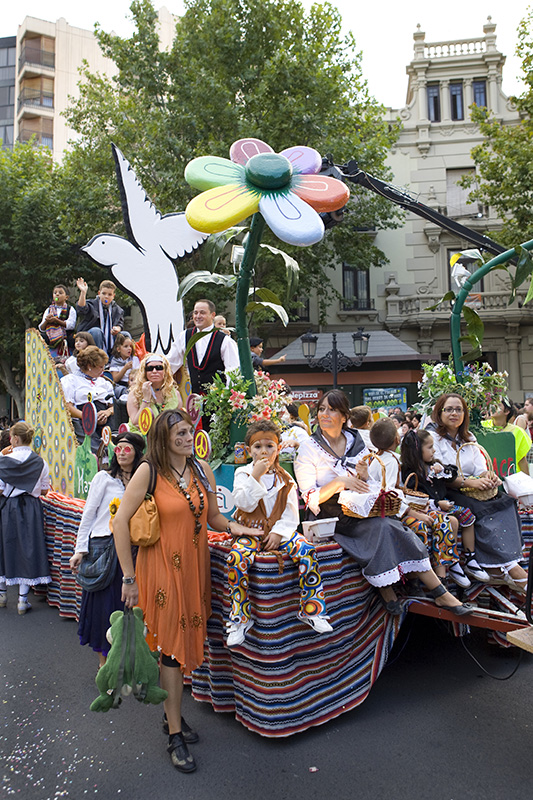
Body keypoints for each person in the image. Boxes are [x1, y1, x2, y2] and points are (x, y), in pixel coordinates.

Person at [111, 409, 257, 772]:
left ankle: (170, 715)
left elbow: (214, 520)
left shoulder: (202, 470)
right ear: (163, 438)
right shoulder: (148, 471)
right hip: (159, 569)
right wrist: (128, 578)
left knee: (183, 644)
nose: (186, 438)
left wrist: (241, 529)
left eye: (189, 432)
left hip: (194, 568)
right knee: (171, 651)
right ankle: (174, 733)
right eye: (178, 434)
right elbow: (118, 523)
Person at [294, 390, 471, 615]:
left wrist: (363, 476)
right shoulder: (308, 448)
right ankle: (417, 591)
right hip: (330, 516)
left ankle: (436, 592)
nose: (324, 414)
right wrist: (339, 482)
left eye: (332, 409)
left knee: (393, 525)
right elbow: (310, 499)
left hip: (360, 509)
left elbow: (368, 483)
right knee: (385, 527)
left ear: (344, 415)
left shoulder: (355, 440)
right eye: (321, 409)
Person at [227, 419, 332, 647]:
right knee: (237, 557)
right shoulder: (243, 475)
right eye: (257, 447)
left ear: (278, 448)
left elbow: (292, 514)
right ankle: (240, 618)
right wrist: (255, 476)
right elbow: (243, 503)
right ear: (249, 450)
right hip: (250, 531)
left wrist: (278, 532)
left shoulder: (286, 478)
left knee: (306, 550)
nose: (263, 451)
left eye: (269, 446)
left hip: (279, 532)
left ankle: (311, 609)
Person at [427, 393, 528, 592]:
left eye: (459, 409)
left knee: (506, 502)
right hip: (447, 492)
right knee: (479, 510)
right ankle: (505, 567)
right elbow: (439, 473)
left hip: (472, 488)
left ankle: (508, 562)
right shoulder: (433, 439)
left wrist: (488, 476)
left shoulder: (469, 438)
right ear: (440, 413)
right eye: (449, 409)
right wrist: (469, 483)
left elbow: (480, 468)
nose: (454, 413)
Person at [69, 432, 145, 668]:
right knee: (104, 607)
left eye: (127, 449)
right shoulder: (104, 478)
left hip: (134, 550)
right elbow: (88, 514)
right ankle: (105, 663)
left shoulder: (144, 480)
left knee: (129, 607)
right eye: (118, 448)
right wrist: (80, 549)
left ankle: (129, 662)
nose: (121, 453)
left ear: (137, 452)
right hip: (103, 548)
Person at [368, 418, 468, 588]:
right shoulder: (391, 462)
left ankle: (440, 576)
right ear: (397, 440)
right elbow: (390, 495)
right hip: (395, 514)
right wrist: (414, 513)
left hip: (402, 510)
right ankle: (418, 577)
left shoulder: (384, 458)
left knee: (444, 522)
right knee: (423, 527)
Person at [400, 428, 490, 584]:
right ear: (416, 451)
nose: (434, 450)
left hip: (445, 505)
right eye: (429, 447)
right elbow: (415, 498)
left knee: (468, 515)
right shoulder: (411, 473)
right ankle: (452, 564)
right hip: (430, 508)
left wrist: (444, 470)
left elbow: (453, 474)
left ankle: (470, 557)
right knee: (451, 522)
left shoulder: (435, 465)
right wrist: (436, 503)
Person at [0, 421, 51, 614]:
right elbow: (45, 490)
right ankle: (22, 600)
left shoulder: (3, 461)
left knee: (6, 547)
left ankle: (2, 594)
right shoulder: (40, 462)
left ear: (13, 438)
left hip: (9, 508)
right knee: (28, 549)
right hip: (31, 507)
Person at [167, 299, 239, 394]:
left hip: (217, 400)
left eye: (202, 313)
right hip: (192, 399)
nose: (198, 316)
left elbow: (233, 372)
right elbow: (171, 363)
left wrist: (227, 397)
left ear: (212, 315)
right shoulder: (184, 336)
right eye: (195, 313)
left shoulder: (225, 341)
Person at [61, 346, 115, 451]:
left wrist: (107, 412)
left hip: (106, 421)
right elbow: (68, 407)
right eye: (100, 367)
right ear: (90, 366)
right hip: (83, 421)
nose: (103, 370)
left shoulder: (104, 382)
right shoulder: (70, 380)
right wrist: (90, 418)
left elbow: (113, 406)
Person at [126, 354, 182, 435]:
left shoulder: (175, 394)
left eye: (159, 368)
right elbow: (136, 422)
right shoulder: (135, 393)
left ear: (165, 371)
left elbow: (179, 420)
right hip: (142, 437)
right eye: (150, 368)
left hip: (167, 436)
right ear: (145, 372)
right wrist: (146, 399)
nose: (154, 371)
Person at [75, 277, 126, 355]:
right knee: (97, 331)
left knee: (125, 335)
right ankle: (99, 358)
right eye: (104, 293)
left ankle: (118, 359)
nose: (106, 297)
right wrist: (83, 292)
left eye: (109, 294)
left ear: (113, 296)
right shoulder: (92, 304)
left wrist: (117, 329)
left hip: (110, 337)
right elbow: (81, 308)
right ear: (99, 293)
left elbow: (120, 324)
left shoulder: (118, 310)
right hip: (92, 336)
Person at [482, 398, 531, 474]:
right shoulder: (481, 427)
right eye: (492, 405)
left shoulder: (518, 432)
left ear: (507, 411)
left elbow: (522, 460)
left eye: (497, 405)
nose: (492, 408)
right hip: (486, 477)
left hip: (511, 478)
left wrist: (528, 483)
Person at [38, 284, 77, 353]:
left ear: (66, 297)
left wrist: (56, 320)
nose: (57, 295)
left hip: (65, 335)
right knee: (40, 337)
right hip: (50, 334)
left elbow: (71, 325)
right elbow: (41, 328)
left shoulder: (70, 309)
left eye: (60, 293)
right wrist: (47, 321)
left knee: (75, 339)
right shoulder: (48, 310)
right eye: (55, 293)